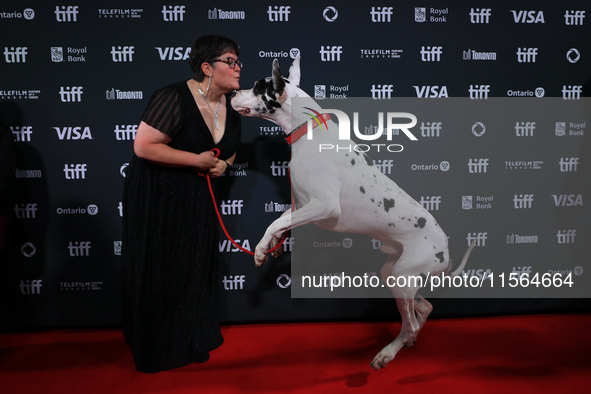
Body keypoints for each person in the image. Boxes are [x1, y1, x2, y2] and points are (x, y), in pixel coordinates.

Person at [121, 35, 242, 373]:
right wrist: (196, 160)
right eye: (230, 61)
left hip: (198, 198)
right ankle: (158, 346)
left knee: (192, 266)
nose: (238, 69)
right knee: (162, 266)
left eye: (238, 62)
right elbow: (144, 146)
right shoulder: (173, 96)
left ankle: (189, 338)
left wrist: (225, 165)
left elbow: (230, 148)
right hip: (159, 195)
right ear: (207, 67)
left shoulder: (231, 105)